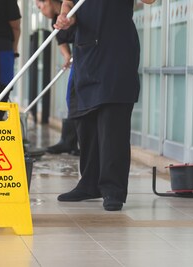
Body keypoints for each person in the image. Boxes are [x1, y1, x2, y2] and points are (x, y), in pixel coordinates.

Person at [54, 0, 156, 211]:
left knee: (113, 124)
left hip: (116, 51)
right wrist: (66, 18)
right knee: (85, 120)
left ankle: (113, 189)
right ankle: (89, 183)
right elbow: (68, 5)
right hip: (87, 51)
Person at [35, 0, 79, 155]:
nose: (40, 11)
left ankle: (72, 141)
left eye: (40, 7)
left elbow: (75, 21)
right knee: (71, 98)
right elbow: (61, 42)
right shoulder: (54, 22)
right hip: (78, 57)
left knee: (74, 96)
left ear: (47, 1)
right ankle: (70, 140)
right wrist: (67, 56)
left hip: (86, 53)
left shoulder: (69, 8)